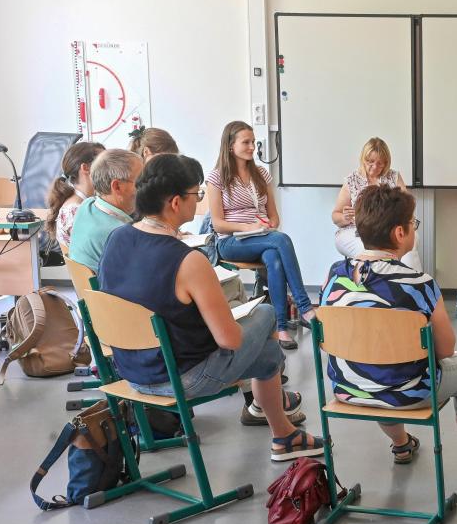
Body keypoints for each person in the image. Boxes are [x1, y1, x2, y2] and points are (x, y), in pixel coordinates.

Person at [98, 154, 323, 462]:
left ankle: (283, 433)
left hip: (128, 371)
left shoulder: (116, 238)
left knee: (269, 354)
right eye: (196, 194)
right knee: (268, 314)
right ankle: (278, 430)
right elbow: (229, 341)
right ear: (176, 203)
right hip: (181, 378)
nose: (199, 200)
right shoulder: (188, 261)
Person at [320, 185, 457, 493]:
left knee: (376, 362)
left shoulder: (334, 276)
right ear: (399, 233)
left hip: (349, 389)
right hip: (408, 393)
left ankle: (402, 444)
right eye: (413, 224)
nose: (414, 230)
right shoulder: (419, 283)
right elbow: (445, 350)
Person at [208, 120, 315, 350]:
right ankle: (305, 306)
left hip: (261, 236)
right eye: (246, 142)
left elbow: (275, 217)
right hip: (232, 241)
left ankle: (281, 327)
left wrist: (267, 224)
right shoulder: (217, 177)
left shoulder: (262, 175)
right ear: (230, 146)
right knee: (282, 239)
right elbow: (217, 224)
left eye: (253, 142)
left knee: (274, 258)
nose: (251, 147)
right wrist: (248, 228)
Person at [331, 137, 421, 271]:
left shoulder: (394, 177)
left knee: (409, 251)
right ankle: (383, 286)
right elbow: (335, 216)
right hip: (358, 233)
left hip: (389, 230)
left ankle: (413, 285)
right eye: (370, 162)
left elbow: (406, 207)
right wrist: (345, 217)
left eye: (380, 163)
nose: (375, 167)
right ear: (363, 159)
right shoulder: (352, 180)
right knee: (372, 253)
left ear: (386, 162)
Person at [68, 149, 142, 271]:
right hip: (110, 289)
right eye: (141, 181)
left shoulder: (87, 205)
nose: (146, 186)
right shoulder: (120, 234)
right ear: (117, 186)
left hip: (88, 287)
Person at [45, 141, 105, 254]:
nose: (109, 169)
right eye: (104, 164)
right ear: (85, 168)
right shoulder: (75, 210)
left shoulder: (85, 203)